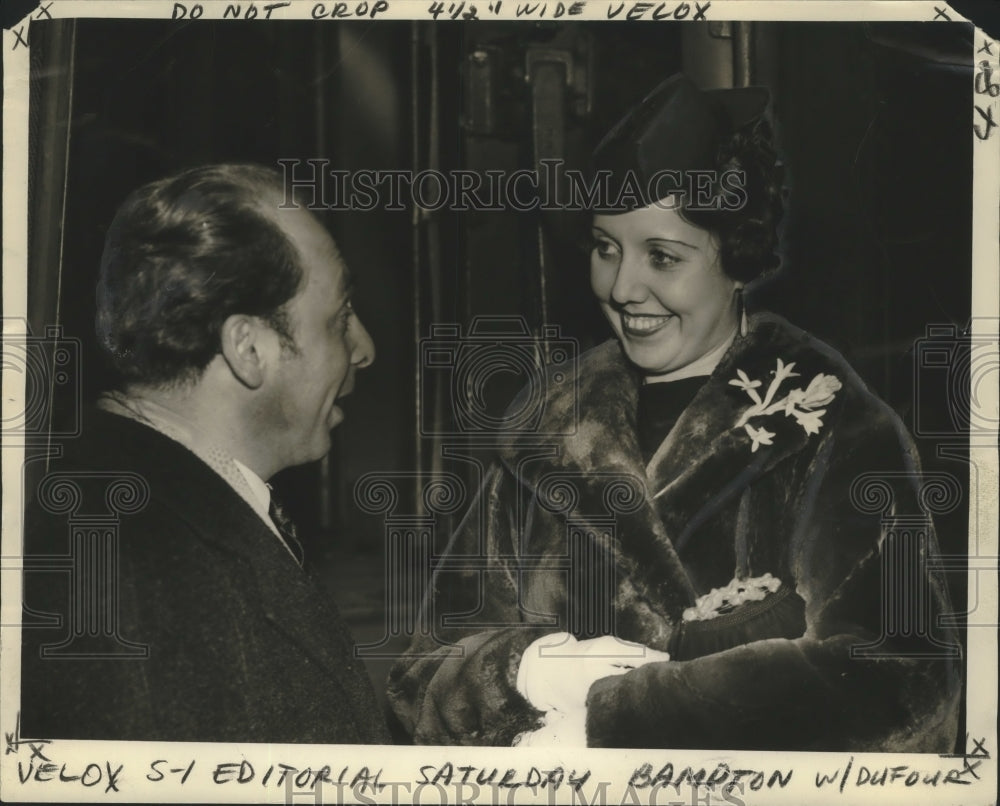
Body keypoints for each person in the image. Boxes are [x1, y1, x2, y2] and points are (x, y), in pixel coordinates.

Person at [388, 75, 963, 750]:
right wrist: (527, 674)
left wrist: (609, 725)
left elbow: (902, 681)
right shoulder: (546, 427)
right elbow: (419, 679)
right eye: (605, 248)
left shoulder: (836, 428)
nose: (623, 287)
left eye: (662, 256)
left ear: (738, 259)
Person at [20, 164, 390, 743]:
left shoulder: (141, 501)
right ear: (249, 349)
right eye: (340, 319)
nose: (363, 349)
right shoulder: (135, 577)